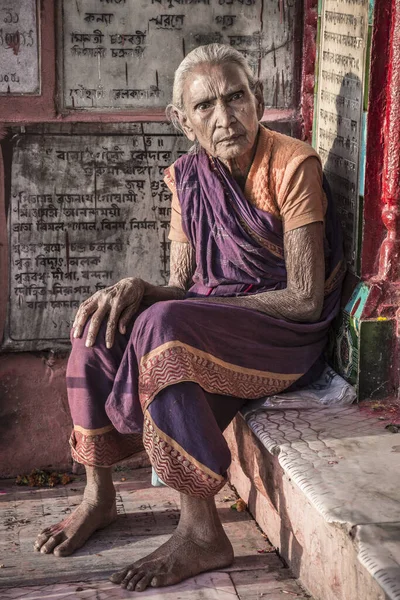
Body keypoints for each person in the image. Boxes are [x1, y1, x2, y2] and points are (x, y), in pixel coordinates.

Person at [34, 44, 344, 592]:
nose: (225, 118)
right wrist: (139, 289)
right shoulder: (185, 177)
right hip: (209, 324)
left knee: (163, 330)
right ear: (182, 122)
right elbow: (181, 285)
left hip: (281, 332)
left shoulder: (292, 164)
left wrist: (187, 308)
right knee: (99, 325)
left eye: (237, 98)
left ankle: (203, 532)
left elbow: (303, 298)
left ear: (259, 100)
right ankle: (99, 495)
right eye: (205, 107)